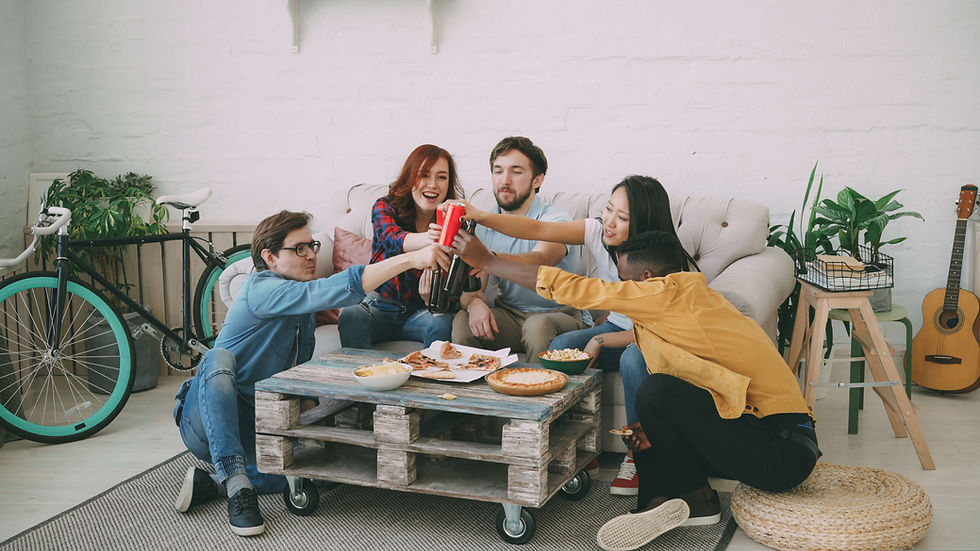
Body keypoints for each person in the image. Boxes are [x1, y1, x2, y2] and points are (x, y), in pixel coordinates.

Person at [450, 229, 820, 551]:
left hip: (781, 455)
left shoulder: (662, 295)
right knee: (650, 397)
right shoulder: (688, 299)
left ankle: (693, 499)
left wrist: (489, 260)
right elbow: (645, 337)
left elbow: (574, 287)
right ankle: (660, 497)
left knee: (656, 391)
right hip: (770, 439)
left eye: (626, 281)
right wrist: (602, 341)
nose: (621, 288)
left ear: (646, 278)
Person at [172, 210, 440, 537]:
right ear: (269, 257)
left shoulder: (300, 306)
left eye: (312, 245)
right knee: (218, 358)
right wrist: (410, 259)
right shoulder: (261, 290)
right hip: (206, 420)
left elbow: (295, 370)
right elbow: (339, 289)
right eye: (299, 249)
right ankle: (238, 488)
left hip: (258, 423)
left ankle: (214, 482)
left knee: (329, 471)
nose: (312, 254)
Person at [454, 174, 698, 495]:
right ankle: (573, 447)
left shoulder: (666, 266)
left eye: (622, 218)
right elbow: (538, 229)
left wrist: (600, 339)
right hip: (617, 328)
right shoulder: (599, 231)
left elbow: (652, 334)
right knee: (562, 345)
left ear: (645, 224)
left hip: (653, 340)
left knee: (632, 360)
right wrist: (481, 215)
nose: (609, 222)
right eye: (608, 209)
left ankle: (637, 455)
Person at [452, 136, 585, 362]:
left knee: (537, 326)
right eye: (498, 171)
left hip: (560, 315)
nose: (505, 181)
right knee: (462, 321)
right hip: (511, 316)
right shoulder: (482, 226)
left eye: (516, 171)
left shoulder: (555, 218)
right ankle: (475, 395)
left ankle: (537, 396)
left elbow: (543, 259)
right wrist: (474, 303)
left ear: (537, 179)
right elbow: (474, 287)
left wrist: (489, 258)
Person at [338, 144, 464, 349]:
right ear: (409, 177)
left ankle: (429, 379)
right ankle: (365, 377)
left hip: (420, 312)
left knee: (442, 322)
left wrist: (435, 296)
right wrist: (431, 240)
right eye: (424, 175)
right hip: (378, 305)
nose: (433, 184)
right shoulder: (385, 206)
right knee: (351, 314)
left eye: (441, 177)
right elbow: (393, 239)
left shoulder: (455, 219)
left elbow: (459, 284)